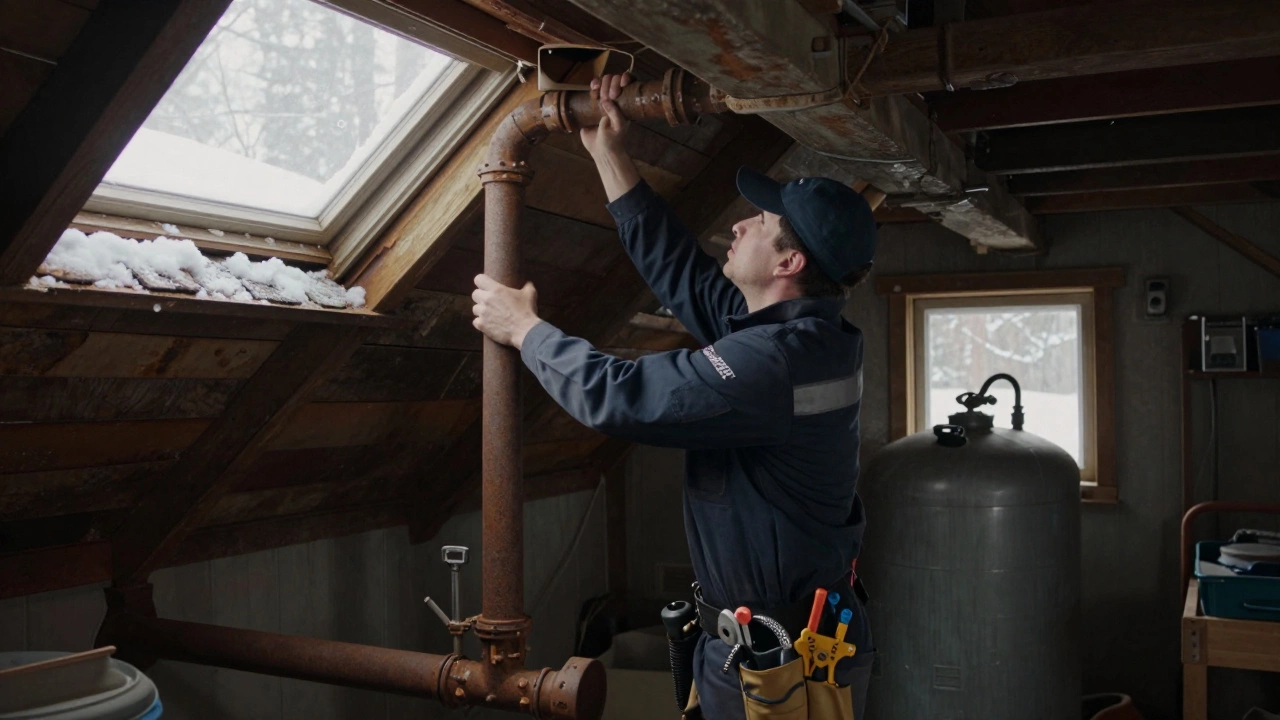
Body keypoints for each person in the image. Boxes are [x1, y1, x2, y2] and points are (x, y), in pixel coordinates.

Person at [471, 73, 877, 719]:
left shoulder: (771, 366)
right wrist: (608, 153)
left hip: (778, 658)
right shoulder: (810, 337)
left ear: (788, 265)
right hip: (782, 638)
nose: (741, 225)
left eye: (762, 222)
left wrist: (524, 330)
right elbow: (684, 275)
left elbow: (624, 396)